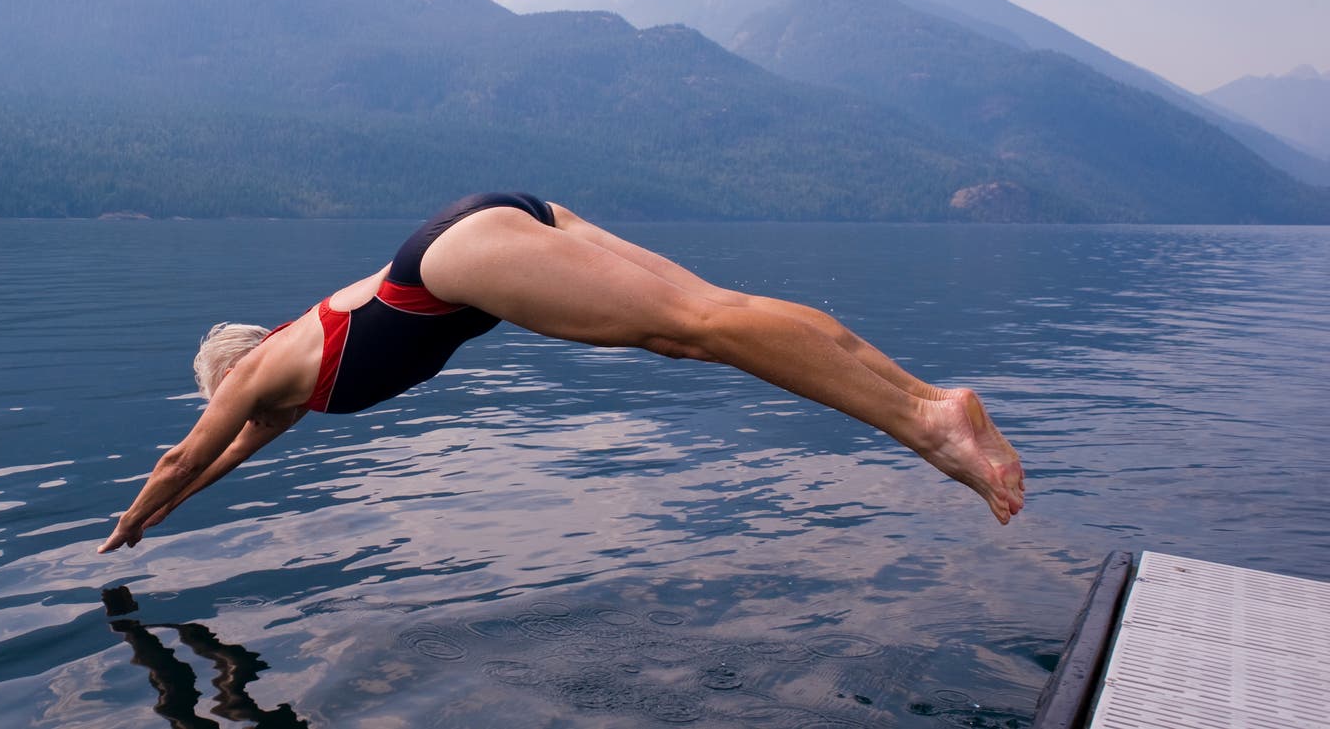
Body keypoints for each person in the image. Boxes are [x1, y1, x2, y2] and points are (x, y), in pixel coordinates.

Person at [98, 193, 1025, 554]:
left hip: (459, 259)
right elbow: (218, 463)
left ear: (227, 378)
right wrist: (162, 516)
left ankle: (927, 421)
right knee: (701, 321)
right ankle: (931, 403)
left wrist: (125, 525)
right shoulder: (283, 385)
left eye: (223, 402)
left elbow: (184, 458)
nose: (235, 420)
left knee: (697, 325)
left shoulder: (259, 375)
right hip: (490, 226)